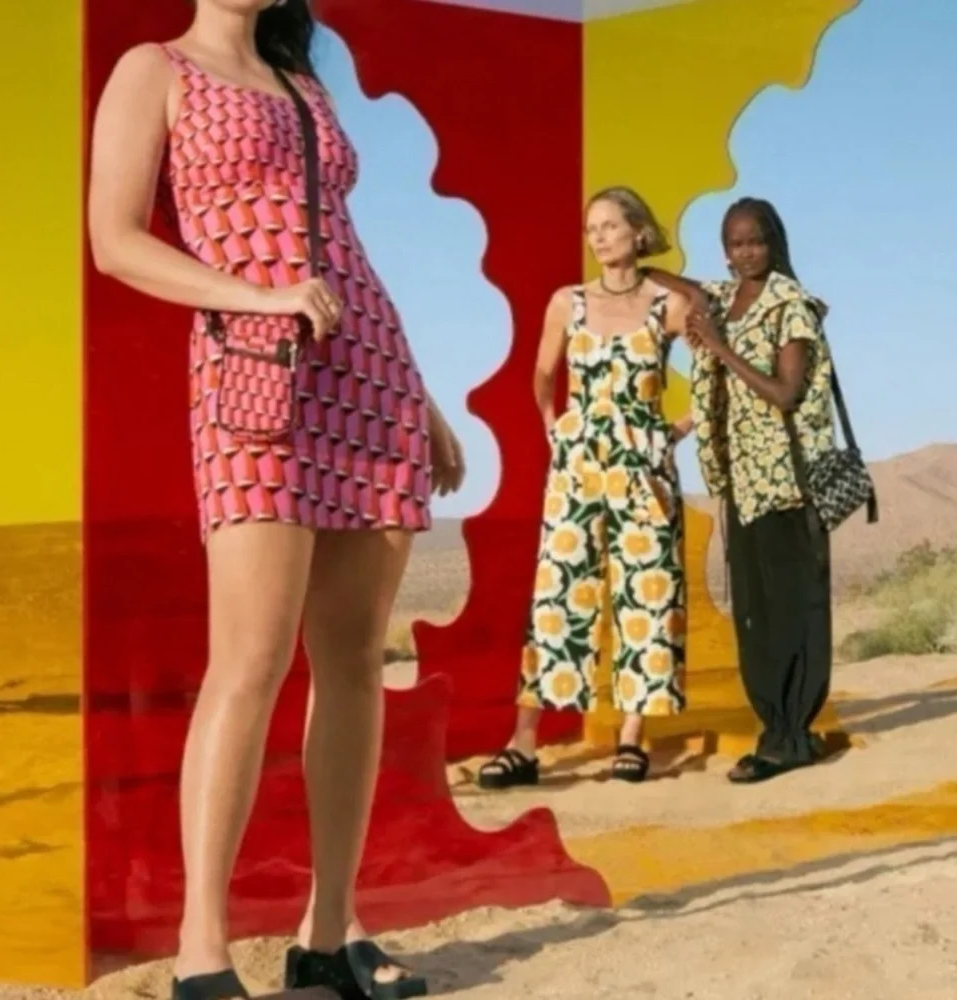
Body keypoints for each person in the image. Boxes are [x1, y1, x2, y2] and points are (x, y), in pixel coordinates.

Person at [88, 2, 465, 998]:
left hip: (369, 375)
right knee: (249, 660)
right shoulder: (154, 68)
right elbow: (114, 241)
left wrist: (422, 397)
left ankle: (330, 930)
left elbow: (341, 244)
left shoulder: (305, 82)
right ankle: (202, 951)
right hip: (254, 369)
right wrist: (257, 298)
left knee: (354, 662)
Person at [477, 187, 691, 791]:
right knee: (558, 595)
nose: (598, 237)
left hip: (644, 468)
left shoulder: (668, 305)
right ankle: (523, 744)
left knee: (647, 594)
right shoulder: (567, 302)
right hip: (577, 466)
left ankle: (632, 736)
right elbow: (543, 375)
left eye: (609, 226)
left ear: (638, 232)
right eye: (591, 228)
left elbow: (714, 371)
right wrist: (557, 430)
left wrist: (672, 432)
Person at [647, 197, 835, 785]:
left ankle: (792, 734)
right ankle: (776, 729)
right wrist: (637, 258)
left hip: (786, 485)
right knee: (752, 614)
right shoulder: (724, 299)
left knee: (791, 611)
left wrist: (720, 347)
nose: (745, 252)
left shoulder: (789, 304)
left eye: (755, 241)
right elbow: (675, 282)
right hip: (741, 483)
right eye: (735, 243)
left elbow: (785, 393)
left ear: (773, 243)